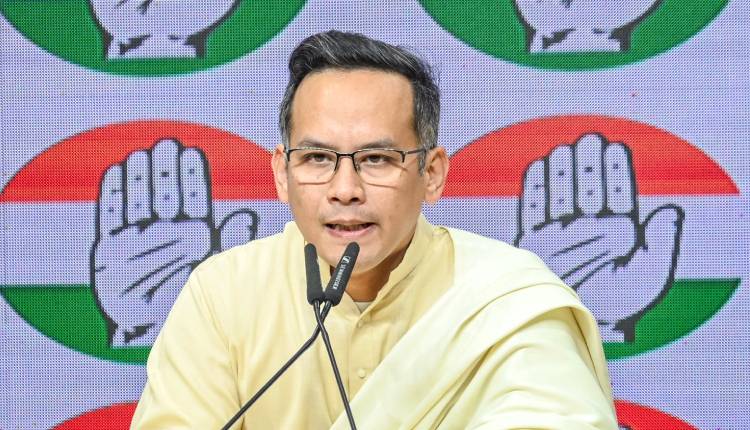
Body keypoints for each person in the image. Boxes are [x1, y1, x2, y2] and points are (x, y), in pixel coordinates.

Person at [131, 30, 618, 429]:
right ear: (282, 174)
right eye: (317, 158)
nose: (345, 189)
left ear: (432, 174)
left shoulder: (505, 300)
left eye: (377, 159)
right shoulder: (225, 294)